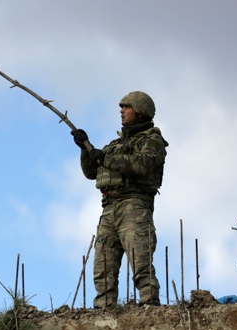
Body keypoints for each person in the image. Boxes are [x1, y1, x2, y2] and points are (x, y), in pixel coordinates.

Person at [71, 91, 168, 308]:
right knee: (103, 264)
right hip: (109, 207)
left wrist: (105, 157)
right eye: (121, 106)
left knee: (140, 259)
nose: (121, 111)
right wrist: (85, 150)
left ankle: (149, 305)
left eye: (127, 106)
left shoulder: (153, 140)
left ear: (140, 111)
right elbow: (91, 172)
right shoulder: (115, 144)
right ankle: (104, 308)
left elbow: (142, 165)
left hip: (134, 205)